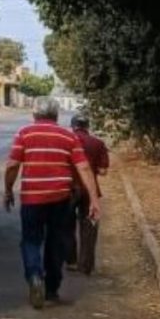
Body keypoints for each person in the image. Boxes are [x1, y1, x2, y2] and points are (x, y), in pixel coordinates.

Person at [4, 97, 102, 309]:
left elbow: (12, 165)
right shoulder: (68, 136)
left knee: (30, 241)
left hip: (32, 199)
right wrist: (94, 199)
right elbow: (84, 168)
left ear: (34, 114)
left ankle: (34, 277)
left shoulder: (24, 133)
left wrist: (8, 190)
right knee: (56, 242)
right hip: (60, 199)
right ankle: (51, 290)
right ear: (56, 115)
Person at [67, 113, 109, 273]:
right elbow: (103, 171)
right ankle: (86, 265)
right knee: (89, 227)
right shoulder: (98, 143)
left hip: (69, 189)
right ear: (88, 127)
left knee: (66, 225)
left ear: (73, 126)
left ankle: (70, 260)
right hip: (90, 190)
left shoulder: (67, 141)